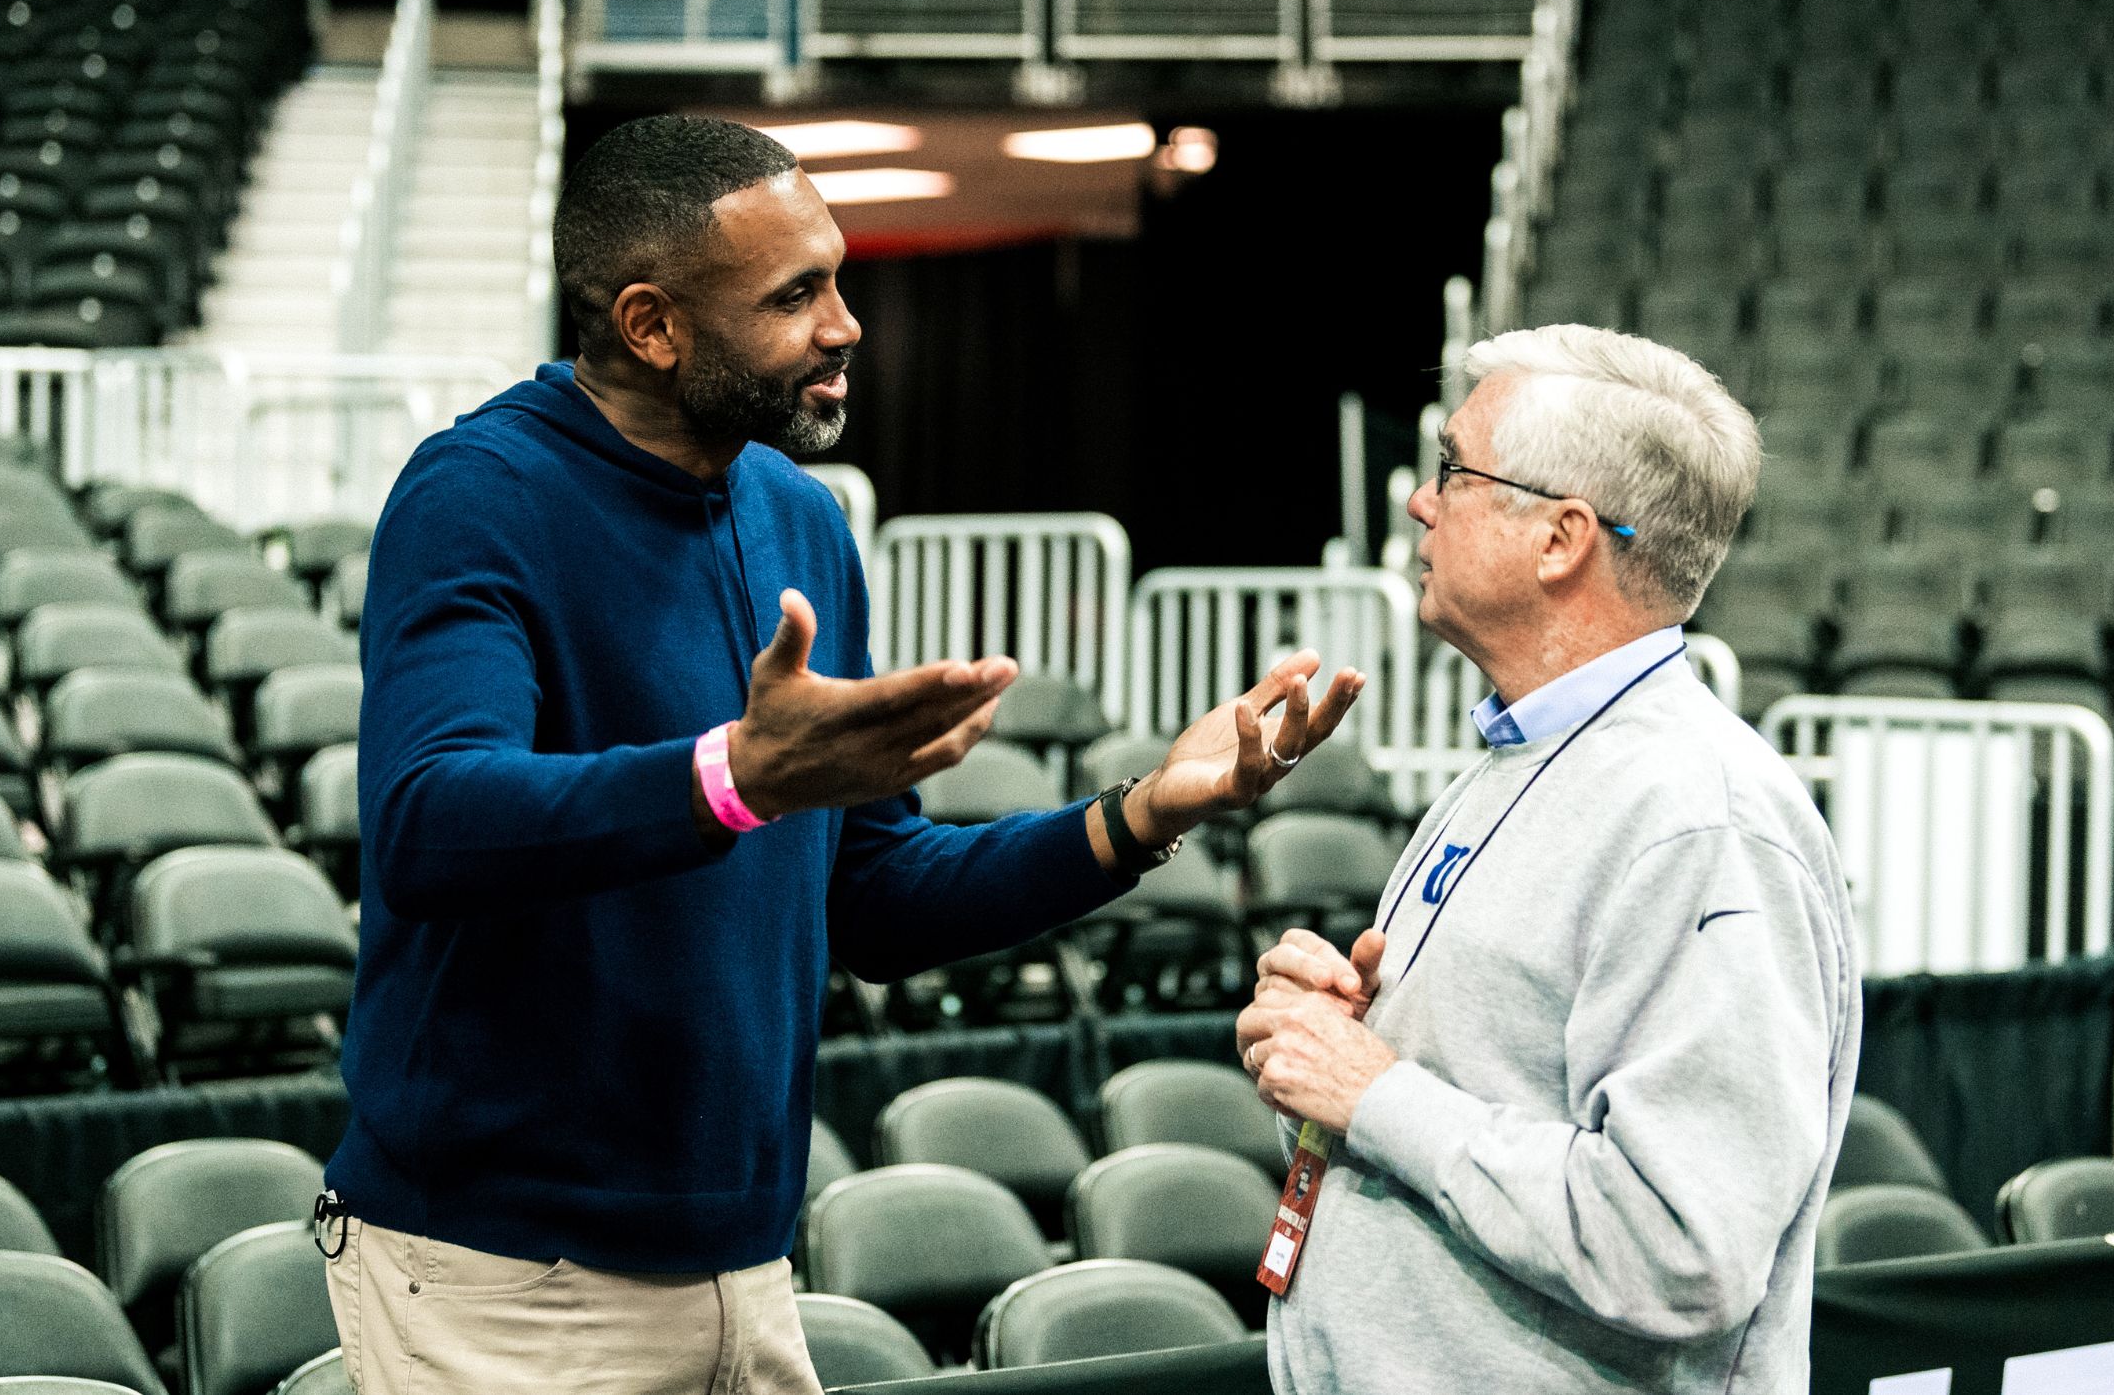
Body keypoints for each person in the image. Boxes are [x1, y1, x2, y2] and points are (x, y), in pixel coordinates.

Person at [318, 114, 1365, 1395]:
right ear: (652, 326)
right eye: (794, 293)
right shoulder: (477, 495)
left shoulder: (801, 521)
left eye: (838, 276)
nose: (845, 322)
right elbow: (428, 823)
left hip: (745, 1267)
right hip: (502, 1278)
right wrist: (731, 778)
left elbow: (874, 896)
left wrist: (1141, 813)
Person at [1236, 324, 1861, 1394]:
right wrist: (1325, 1043)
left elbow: (1680, 1248)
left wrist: (1376, 1091)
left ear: (1561, 538)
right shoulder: (1524, 758)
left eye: (1451, 471)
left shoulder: (1700, 822)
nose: (1418, 502)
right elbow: (1475, 1095)